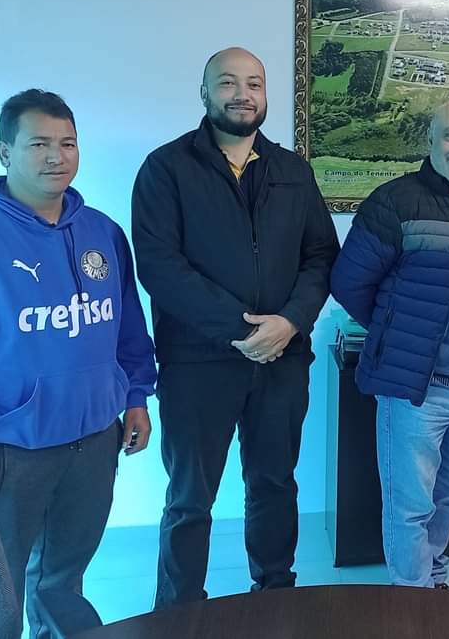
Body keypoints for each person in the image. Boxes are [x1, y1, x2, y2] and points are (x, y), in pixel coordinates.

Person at [0, 89, 156, 638]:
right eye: (39, 144)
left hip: (95, 440)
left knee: (63, 577)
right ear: (5, 151)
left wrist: (134, 397)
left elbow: (128, 323)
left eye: (67, 143)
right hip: (12, 449)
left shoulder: (102, 231)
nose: (56, 156)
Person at [132, 47, 339, 607]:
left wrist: (292, 322)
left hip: (283, 361)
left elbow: (321, 254)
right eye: (228, 82)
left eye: (254, 83)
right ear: (205, 94)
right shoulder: (166, 167)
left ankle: (274, 595)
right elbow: (158, 265)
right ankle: (178, 610)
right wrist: (243, 328)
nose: (242, 93)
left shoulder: (293, 170)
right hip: (197, 363)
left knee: (274, 485)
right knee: (189, 498)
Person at [330, 98, 449, 590]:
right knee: (410, 508)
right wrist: (398, 332)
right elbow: (349, 283)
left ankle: (433, 582)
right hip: (418, 390)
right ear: (430, 142)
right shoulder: (394, 202)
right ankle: (411, 605)